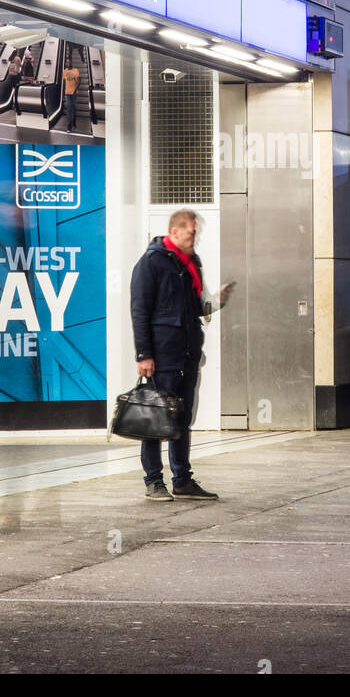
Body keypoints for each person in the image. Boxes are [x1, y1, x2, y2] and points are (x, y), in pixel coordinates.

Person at [130, 210, 234, 501]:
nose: (194, 235)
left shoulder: (191, 263)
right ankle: (153, 480)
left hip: (188, 353)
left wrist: (216, 302)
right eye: (189, 230)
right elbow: (139, 311)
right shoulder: (151, 263)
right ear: (173, 231)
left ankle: (182, 480)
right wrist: (143, 354)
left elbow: (195, 307)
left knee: (181, 418)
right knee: (154, 417)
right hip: (161, 355)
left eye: (196, 231)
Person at [61, 56, 80, 133]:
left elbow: (79, 81)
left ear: (71, 62)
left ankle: (74, 123)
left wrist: (75, 90)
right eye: (66, 62)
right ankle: (69, 127)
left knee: (74, 109)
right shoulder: (64, 71)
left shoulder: (76, 70)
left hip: (74, 93)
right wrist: (62, 94)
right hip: (67, 93)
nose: (67, 64)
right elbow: (64, 83)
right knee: (69, 110)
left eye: (68, 62)